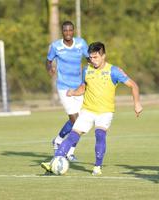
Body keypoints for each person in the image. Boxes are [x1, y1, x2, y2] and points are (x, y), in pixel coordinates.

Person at [41, 42, 143, 175]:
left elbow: (133, 85)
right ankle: (54, 161)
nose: (93, 60)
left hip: (105, 111)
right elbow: (84, 87)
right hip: (87, 110)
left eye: (96, 57)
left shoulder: (114, 71)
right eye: (91, 57)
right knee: (72, 136)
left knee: (100, 135)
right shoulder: (87, 70)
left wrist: (137, 103)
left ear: (103, 56)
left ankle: (98, 167)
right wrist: (73, 92)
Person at [46, 21, 89, 162]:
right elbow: (48, 60)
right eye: (66, 30)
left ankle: (59, 141)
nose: (68, 33)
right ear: (62, 32)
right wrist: (50, 69)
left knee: (80, 122)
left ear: (73, 31)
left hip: (79, 88)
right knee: (76, 120)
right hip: (64, 87)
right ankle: (68, 151)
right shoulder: (56, 46)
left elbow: (90, 59)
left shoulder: (81, 43)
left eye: (71, 30)